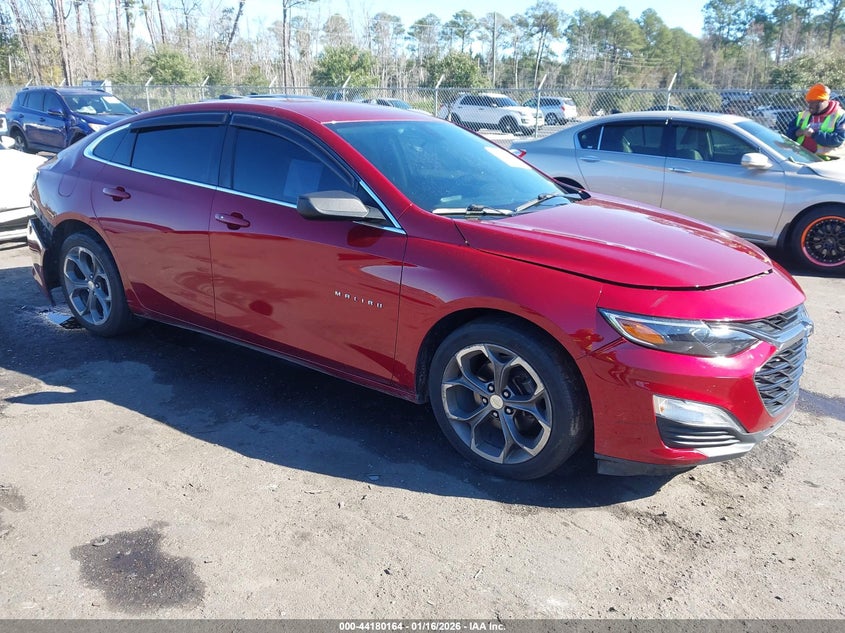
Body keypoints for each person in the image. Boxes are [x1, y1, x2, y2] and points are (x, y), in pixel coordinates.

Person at [787, 83, 845, 158]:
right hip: (800, 157)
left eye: (815, 102)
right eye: (809, 102)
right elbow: (788, 133)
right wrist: (798, 132)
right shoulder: (804, 114)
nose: (810, 106)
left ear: (825, 101)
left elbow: (838, 139)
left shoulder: (840, 115)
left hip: (826, 162)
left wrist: (814, 134)